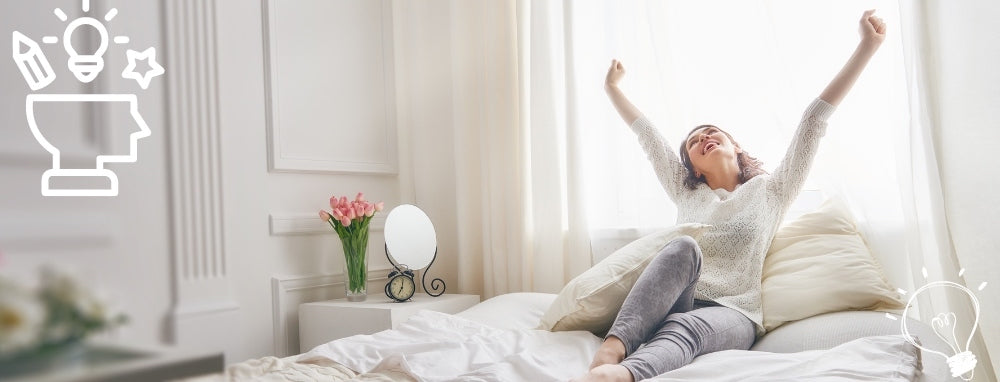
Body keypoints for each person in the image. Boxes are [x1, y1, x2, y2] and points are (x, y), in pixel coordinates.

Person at [573, 9, 887, 382]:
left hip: (732, 313)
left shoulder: (772, 191)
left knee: (684, 331)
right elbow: (648, 136)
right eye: (693, 141)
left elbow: (812, 122)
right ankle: (612, 348)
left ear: (734, 145)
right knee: (682, 247)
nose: (703, 137)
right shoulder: (685, 192)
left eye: (712, 132)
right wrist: (613, 89)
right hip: (674, 301)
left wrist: (867, 47)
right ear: (691, 165)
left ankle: (619, 375)